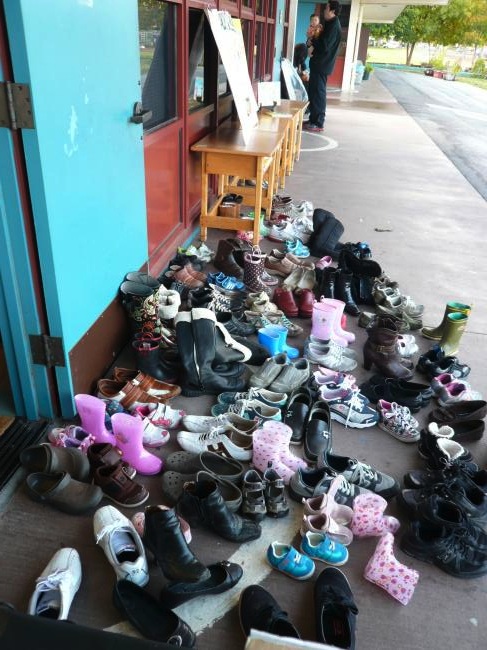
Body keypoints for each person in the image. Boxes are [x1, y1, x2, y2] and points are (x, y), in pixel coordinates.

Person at [304, 1, 342, 133]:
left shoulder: (334, 26)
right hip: (318, 64)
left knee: (319, 93)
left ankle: (318, 123)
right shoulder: (329, 24)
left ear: (332, 11)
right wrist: (312, 38)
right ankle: (313, 119)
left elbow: (325, 46)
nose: (324, 10)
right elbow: (321, 41)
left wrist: (313, 39)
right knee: (314, 92)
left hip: (322, 65)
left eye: (326, 8)